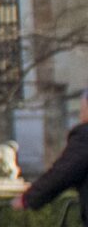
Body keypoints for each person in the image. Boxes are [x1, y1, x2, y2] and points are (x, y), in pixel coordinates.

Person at [20, 87, 88, 216]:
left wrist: (28, 198)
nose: (80, 116)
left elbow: (64, 172)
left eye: (82, 110)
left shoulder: (85, 135)